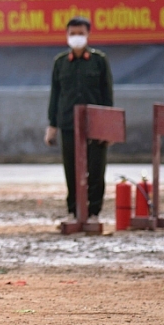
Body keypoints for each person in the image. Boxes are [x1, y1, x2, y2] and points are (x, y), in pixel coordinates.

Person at [44, 16, 113, 223]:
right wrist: (52, 125)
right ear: (66, 35)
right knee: (72, 169)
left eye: (80, 33)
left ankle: (93, 213)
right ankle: (74, 211)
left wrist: (108, 127)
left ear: (88, 35)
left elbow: (107, 94)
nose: (76, 37)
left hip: (95, 125)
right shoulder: (60, 63)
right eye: (72, 33)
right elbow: (55, 95)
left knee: (96, 168)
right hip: (67, 124)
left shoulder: (99, 61)